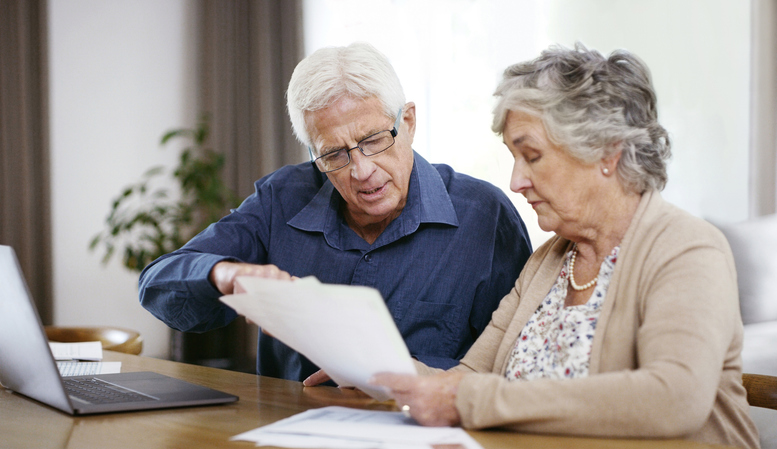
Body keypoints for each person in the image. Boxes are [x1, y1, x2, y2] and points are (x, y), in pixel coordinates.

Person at [370, 44, 760, 449]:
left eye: (532, 156)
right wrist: (368, 367)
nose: (516, 181)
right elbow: (466, 379)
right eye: (514, 158)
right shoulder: (549, 260)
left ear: (607, 151)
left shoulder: (687, 248)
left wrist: (474, 399)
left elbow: (674, 398)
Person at [138, 42, 533, 383]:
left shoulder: (485, 216)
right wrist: (224, 273)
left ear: (408, 122)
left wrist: (410, 375)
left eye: (373, 140)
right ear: (314, 153)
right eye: (333, 154)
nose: (361, 171)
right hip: (289, 427)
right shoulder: (283, 197)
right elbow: (157, 285)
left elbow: (515, 366)